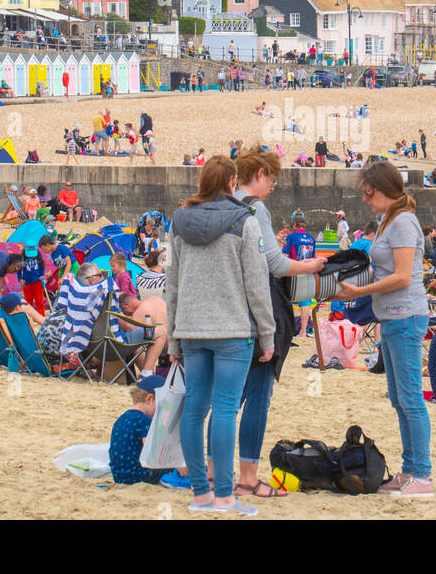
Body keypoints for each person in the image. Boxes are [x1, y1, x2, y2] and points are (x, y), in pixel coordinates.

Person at [166, 156, 274, 516]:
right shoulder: (246, 221)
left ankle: (201, 494)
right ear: (231, 183)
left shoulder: (179, 222)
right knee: (225, 410)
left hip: (192, 329)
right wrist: (268, 334)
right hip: (232, 330)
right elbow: (257, 285)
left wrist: (173, 339)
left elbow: (173, 286)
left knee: (196, 409)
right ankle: (225, 496)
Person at [231, 147, 325, 498]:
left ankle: (212, 470)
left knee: (227, 400)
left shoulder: (221, 205)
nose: (272, 186)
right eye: (271, 179)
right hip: (255, 317)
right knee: (258, 394)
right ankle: (248, 477)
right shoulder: (255, 207)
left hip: (224, 315)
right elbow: (273, 263)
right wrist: (310, 267)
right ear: (258, 174)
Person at [336, 160, 433, 498]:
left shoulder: (403, 222)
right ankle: (410, 471)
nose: (364, 199)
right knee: (399, 398)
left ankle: (422, 474)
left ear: (383, 190)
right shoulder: (389, 220)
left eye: (367, 193)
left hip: (405, 316)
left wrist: (358, 292)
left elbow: (403, 276)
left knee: (410, 399)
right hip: (392, 317)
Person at [108, 374, 188, 488]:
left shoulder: (121, 418)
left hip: (119, 475)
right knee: (180, 468)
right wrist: (176, 464)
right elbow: (153, 455)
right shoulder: (144, 421)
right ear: (149, 399)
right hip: (138, 476)